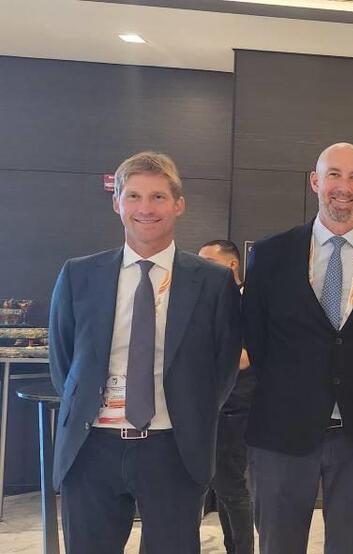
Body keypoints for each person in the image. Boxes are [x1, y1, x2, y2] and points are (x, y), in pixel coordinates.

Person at [48, 151, 242, 553]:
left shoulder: (213, 282)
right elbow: (64, 362)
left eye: (158, 197)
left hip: (173, 448)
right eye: (134, 196)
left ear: (178, 204)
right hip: (91, 448)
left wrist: (193, 414)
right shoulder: (79, 275)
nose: (145, 209)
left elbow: (222, 368)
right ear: (117, 203)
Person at [242, 142, 353, 554]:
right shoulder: (270, 255)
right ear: (314, 182)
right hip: (281, 434)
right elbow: (256, 338)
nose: (344, 187)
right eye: (334, 175)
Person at [198, 239, 255, 554]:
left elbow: (245, 358)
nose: (201, 268)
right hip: (208, 406)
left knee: (231, 486)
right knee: (218, 484)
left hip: (238, 407)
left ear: (232, 264)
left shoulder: (252, 303)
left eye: (208, 262)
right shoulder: (210, 300)